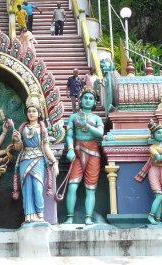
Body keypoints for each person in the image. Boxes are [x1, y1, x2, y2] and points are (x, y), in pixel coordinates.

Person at [11, 94, 59, 223]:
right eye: (29, 111)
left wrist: (54, 162)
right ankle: (29, 215)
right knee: (27, 189)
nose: (31, 113)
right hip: (24, 159)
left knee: (38, 188)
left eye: (34, 111)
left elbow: (46, 146)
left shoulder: (42, 129)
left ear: (39, 113)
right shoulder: (23, 128)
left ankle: (40, 214)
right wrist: (16, 140)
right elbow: (19, 147)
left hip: (38, 159)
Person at [64, 88, 103, 225]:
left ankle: (88, 217)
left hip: (93, 153)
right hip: (77, 152)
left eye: (91, 98)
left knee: (90, 188)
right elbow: (69, 135)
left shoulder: (97, 118)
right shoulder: (73, 117)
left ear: (94, 102)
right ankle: (69, 217)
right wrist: (69, 149)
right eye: (85, 98)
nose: (88, 100)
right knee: (72, 186)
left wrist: (87, 125)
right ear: (81, 100)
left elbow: (100, 133)